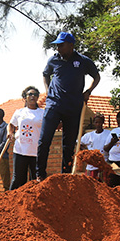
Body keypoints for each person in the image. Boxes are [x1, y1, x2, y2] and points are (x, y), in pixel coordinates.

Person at [37, 32, 101, 179]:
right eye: (57, 45)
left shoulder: (83, 61)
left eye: (61, 45)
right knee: (44, 140)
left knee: (69, 144)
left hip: (74, 107)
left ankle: (65, 175)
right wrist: (48, 91)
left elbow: (96, 76)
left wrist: (89, 91)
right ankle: (40, 174)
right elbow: (45, 74)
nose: (58, 48)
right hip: (54, 104)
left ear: (71, 45)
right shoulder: (53, 60)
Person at [9, 86, 45, 189]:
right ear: (25, 97)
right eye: (30, 94)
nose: (32, 96)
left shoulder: (42, 113)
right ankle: (11, 200)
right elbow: (11, 124)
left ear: (38, 97)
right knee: (18, 179)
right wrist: (10, 132)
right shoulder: (19, 112)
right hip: (20, 150)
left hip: (36, 151)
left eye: (35, 94)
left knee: (36, 180)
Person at [79, 113, 111, 180]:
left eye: (100, 122)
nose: (98, 124)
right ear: (94, 123)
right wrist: (88, 153)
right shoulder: (89, 135)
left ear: (103, 122)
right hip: (91, 166)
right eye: (96, 122)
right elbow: (79, 144)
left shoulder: (108, 133)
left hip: (104, 164)